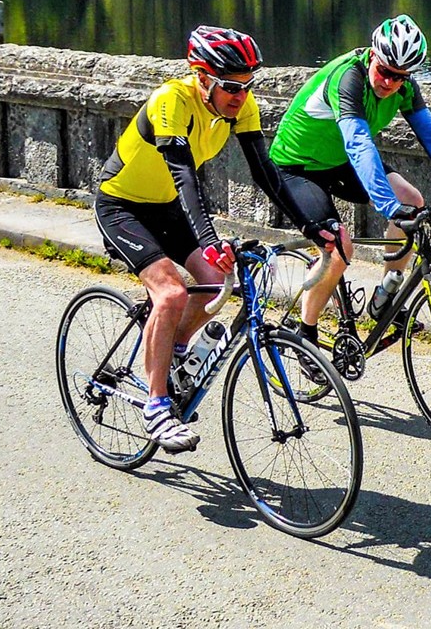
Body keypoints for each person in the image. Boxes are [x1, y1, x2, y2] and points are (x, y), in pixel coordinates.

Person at [93, 26, 335, 452]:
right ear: (202, 77)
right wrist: (209, 240)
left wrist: (309, 226)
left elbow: (265, 172)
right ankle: (156, 406)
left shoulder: (241, 104)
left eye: (247, 85)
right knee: (171, 293)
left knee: (213, 286)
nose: (240, 95)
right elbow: (184, 176)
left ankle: (172, 349)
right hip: (122, 206)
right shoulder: (171, 100)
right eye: (230, 86)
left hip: (166, 205)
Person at [269, 15, 431, 379]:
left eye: (400, 76)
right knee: (339, 247)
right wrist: (386, 205)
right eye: (384, 71)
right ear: (372, 57)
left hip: (338, 163)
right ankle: (305, 335)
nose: (389, 82)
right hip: (295, 167)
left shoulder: (404, 87)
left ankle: (385, 297)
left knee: (412, 200)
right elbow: (358, 143)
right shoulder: (348, 78)